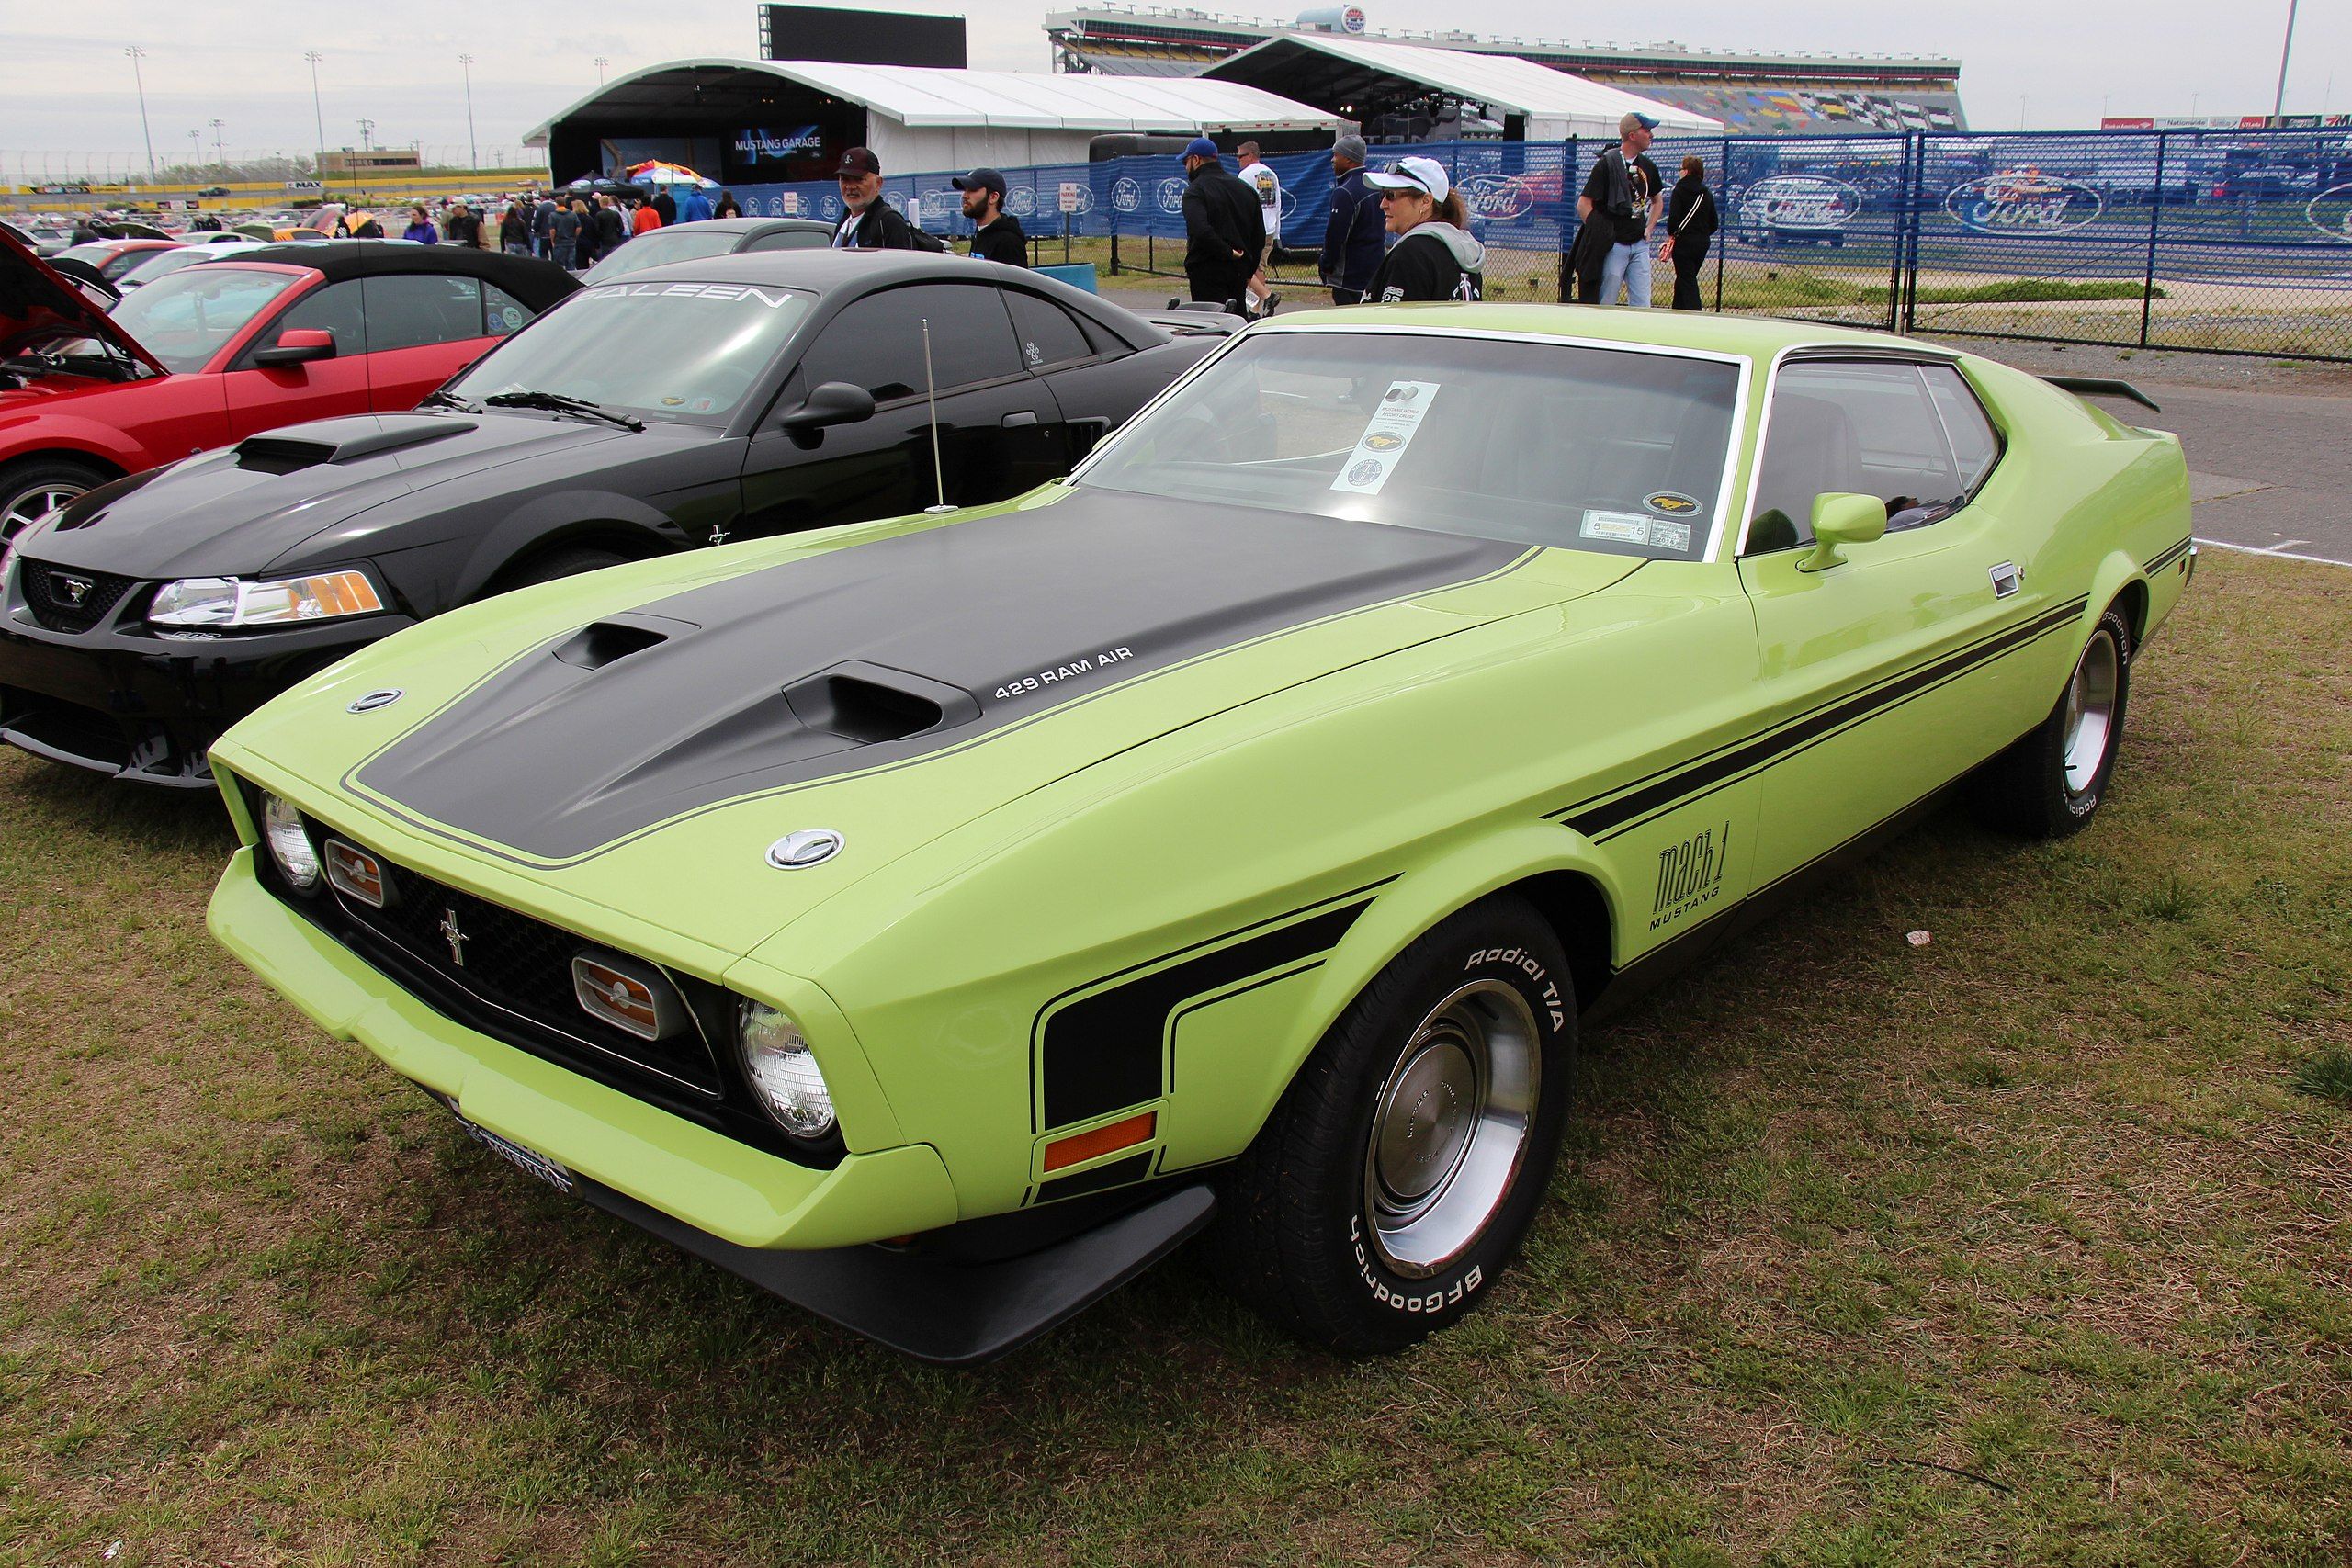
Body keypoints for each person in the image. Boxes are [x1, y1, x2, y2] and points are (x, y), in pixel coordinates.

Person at [1363, 156, 1485, 303]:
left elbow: (1394, 323)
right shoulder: (1463, 251)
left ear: (1425, 201)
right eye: (1383, 195)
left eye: (1391, 195)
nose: (1383, 204)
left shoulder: (1410, 255)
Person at [1577, 111, 1664, 307]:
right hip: (1615, 244)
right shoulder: (1607, 164)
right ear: (1632, 135)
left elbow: (1657, 201)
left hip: (1639, 243)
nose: (1651, 135)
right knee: (1607, 299)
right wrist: (1601, 232)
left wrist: (1649, 228)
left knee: (1642, 302)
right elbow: (1584, 204)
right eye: (1646, 130)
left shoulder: (1648, 166)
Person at [1179, 137, 1259, 311]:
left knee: (1212, 323)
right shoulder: (1245, 189)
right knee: (1237, 321)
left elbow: (1200, 229)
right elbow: (1258, 234)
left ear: (1196, 160)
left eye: (1186, 161)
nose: (1185, 167)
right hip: (1239, 269)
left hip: (1206, 268)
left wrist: (1227, 251)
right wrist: (1249, 269)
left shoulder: (1195, 191)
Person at [1319, 134, 1384, 304]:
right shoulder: (1376, 185)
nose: (1332, 160)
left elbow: (1335, 236)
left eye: (1336, 155)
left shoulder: (1345, 191)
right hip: (1374, 271)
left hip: (1349, 278)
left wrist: (1326, 264)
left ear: (1348, 159)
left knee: (1349, 326)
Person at [1660, 155, 1718, 312]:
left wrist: (1673, 232)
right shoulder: (1706, 193)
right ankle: (1677, 309)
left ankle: (1694, 311)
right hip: (1702, 243)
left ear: (1686, 171)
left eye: (1681, 169)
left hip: (1683, 243)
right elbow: (1714, 223)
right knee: (1685, 277)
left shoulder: (1679, 190)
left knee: (1687, 279)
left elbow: (1673, 220)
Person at [831, 148, 919, 248]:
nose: (851, 187)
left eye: (859, 179)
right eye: (845, 180)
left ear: (878, 183)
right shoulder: (844, 222)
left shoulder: (889, 223)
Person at [1235, 141, 1282, 316]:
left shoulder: (1245, 175)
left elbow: (1242, 203)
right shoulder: (1271, 174)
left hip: (1252, 228)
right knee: (1260, 268)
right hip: (1269, 227)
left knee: (1246, 266)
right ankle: (1257, 307)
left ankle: (1262, 300)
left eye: (1241, 156)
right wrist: (1277, 231)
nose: (1238, 160)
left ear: (1251, 155)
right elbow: (1278, 203)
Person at [955, 167, 1026, 266]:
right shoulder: (981, 232)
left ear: (993, 197)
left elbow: (1016, 281)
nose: (964, 196)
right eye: (965, 190)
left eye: (972, 190)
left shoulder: (1008, 241)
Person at [594, 193, 627, 259]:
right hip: (615, 239)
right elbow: (621, 227)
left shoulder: (599, 215)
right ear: (608, 202)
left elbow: (597, 229)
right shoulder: (615, 214)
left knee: (605, 259)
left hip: (604, 241)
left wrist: (600, 237)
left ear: (600, 203)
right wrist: (618, 235)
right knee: (615, 258)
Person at [551, 198, 582, 269]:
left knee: (558, 264)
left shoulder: (553, 215)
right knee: (571, 262)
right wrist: (575, 236)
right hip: (571, 241)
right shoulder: (572, 214)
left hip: (559, 241)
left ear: (557, 204)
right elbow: (579, 227)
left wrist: (552, 240)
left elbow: (552, 230)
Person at [531, 194, 556, 259]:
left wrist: (536, 230)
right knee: (554, 254)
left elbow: (536, 222)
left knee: (544, 254)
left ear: (543, 198)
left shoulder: (540, 208)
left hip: (544, 234)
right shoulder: (555, 206)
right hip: (555, 234)